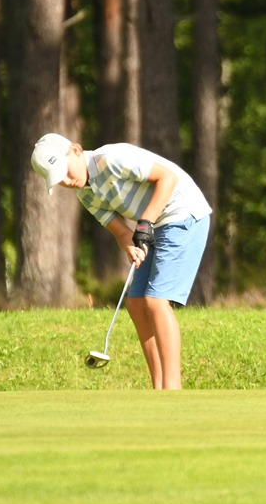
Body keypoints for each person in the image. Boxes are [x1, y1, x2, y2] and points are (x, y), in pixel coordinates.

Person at [31, 133, 212, 390]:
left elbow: (168, 178)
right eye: (60, 180)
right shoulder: (85, 194)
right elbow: (121, 232)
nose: (68, 181)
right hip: (155, 223)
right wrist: (130, 246)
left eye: (66, 172)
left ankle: (173, 389)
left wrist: (146, 221)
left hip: (183, 212)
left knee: (156, 300)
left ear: (75, 150)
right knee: (137, 303)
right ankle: (158, 386)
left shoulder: (111, 158)